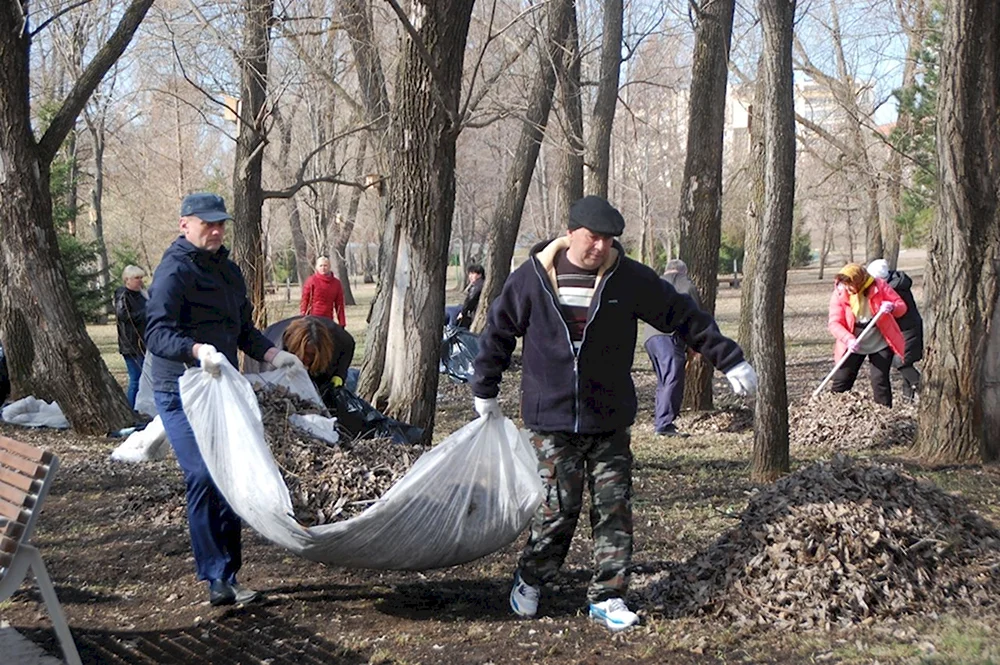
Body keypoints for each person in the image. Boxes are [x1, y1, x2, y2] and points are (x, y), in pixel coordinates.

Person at [470, 195, 757, 632]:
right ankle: (531, 578)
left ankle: (608, 594)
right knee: (557, 508)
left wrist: (729, 357)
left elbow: (683, 316)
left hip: (609, 416)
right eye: (593, 237)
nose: (601, 247)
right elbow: (498, 332)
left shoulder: (630, 279)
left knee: (613, 509)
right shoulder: (530, 279)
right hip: (551, 419)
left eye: (608, 239)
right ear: (571, 233)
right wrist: (484, 389)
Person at [145, 192, 304, 607]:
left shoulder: (229, 271)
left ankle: (230, 574)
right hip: (179, 388)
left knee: (230, 475)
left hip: (221, 387)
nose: (215, 230)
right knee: (202, 474)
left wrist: (274, 354)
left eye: (220, 224)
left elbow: (244, 330)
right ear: (185, 224)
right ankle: (215, 575)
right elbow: (157, 333)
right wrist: (196, 351)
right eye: (206, 223)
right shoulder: (173, 271)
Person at [827, 263, 907, 407]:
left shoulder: (879, 286)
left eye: (850, 285)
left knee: (879, 380)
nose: (848, 289)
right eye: (845, 285)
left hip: (879, 341)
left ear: (860, 281)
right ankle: (834, 410)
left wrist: (892, 307)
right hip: (853, 342)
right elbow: (834, 323)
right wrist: (848, 339)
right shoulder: (840, 293)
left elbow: (901, 307)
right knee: (842, 379)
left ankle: (884, 414)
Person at [642, 259, 701, 437]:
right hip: (670, 337)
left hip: (649, 338)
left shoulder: (653, 284)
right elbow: (694, 317)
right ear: (684, 271)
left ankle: (661, 420)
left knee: (664, 380)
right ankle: (664, 424)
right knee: (673, 379)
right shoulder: (687, 285)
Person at [259, 315, 356, 407]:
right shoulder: (274, 355)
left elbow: (349, 346)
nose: (307, 359)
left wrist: (339, 375)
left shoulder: (340, 340)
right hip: (262, 350)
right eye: (305, 354)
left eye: (312, 355)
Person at [867, 259, 923, 401]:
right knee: (905, 362)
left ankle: (923, 388)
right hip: (903, 329)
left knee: (901, 362)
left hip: (908, 329)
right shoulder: (895, 282)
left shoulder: (895, 289)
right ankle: (907, 398)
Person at [113, 265, 148, 409]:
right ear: (127, 280)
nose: (139, 281)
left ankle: (140, 407)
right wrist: (147, 312)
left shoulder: (142, 295)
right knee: (135, 378)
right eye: (136, 278)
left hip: (144, 342)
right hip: (131, 344)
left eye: (141, 278)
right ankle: (131, 409)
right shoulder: (123, 295)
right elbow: (124, 316)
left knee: (144, 378)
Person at [300, 256, 346, 326]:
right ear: (317, 267)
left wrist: (342, 322)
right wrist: (303, 316)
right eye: (321, 266)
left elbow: (339, 305)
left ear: (329, 267)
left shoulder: (336, 283)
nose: (323, 268)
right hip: (313, 319)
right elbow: (305, 300)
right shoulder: (311, 281)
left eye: (325, 265)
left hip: (328, 320)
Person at [446, 264, 485, 328]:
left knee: (450, 311)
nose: (470, 276)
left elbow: (470, 300)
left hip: (466, 311)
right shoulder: (479, 285)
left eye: (473, 274)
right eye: (469, 274)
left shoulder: (477, 286)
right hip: (466, 310)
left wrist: (462, 313)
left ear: (479, 275)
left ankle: (451, 329)